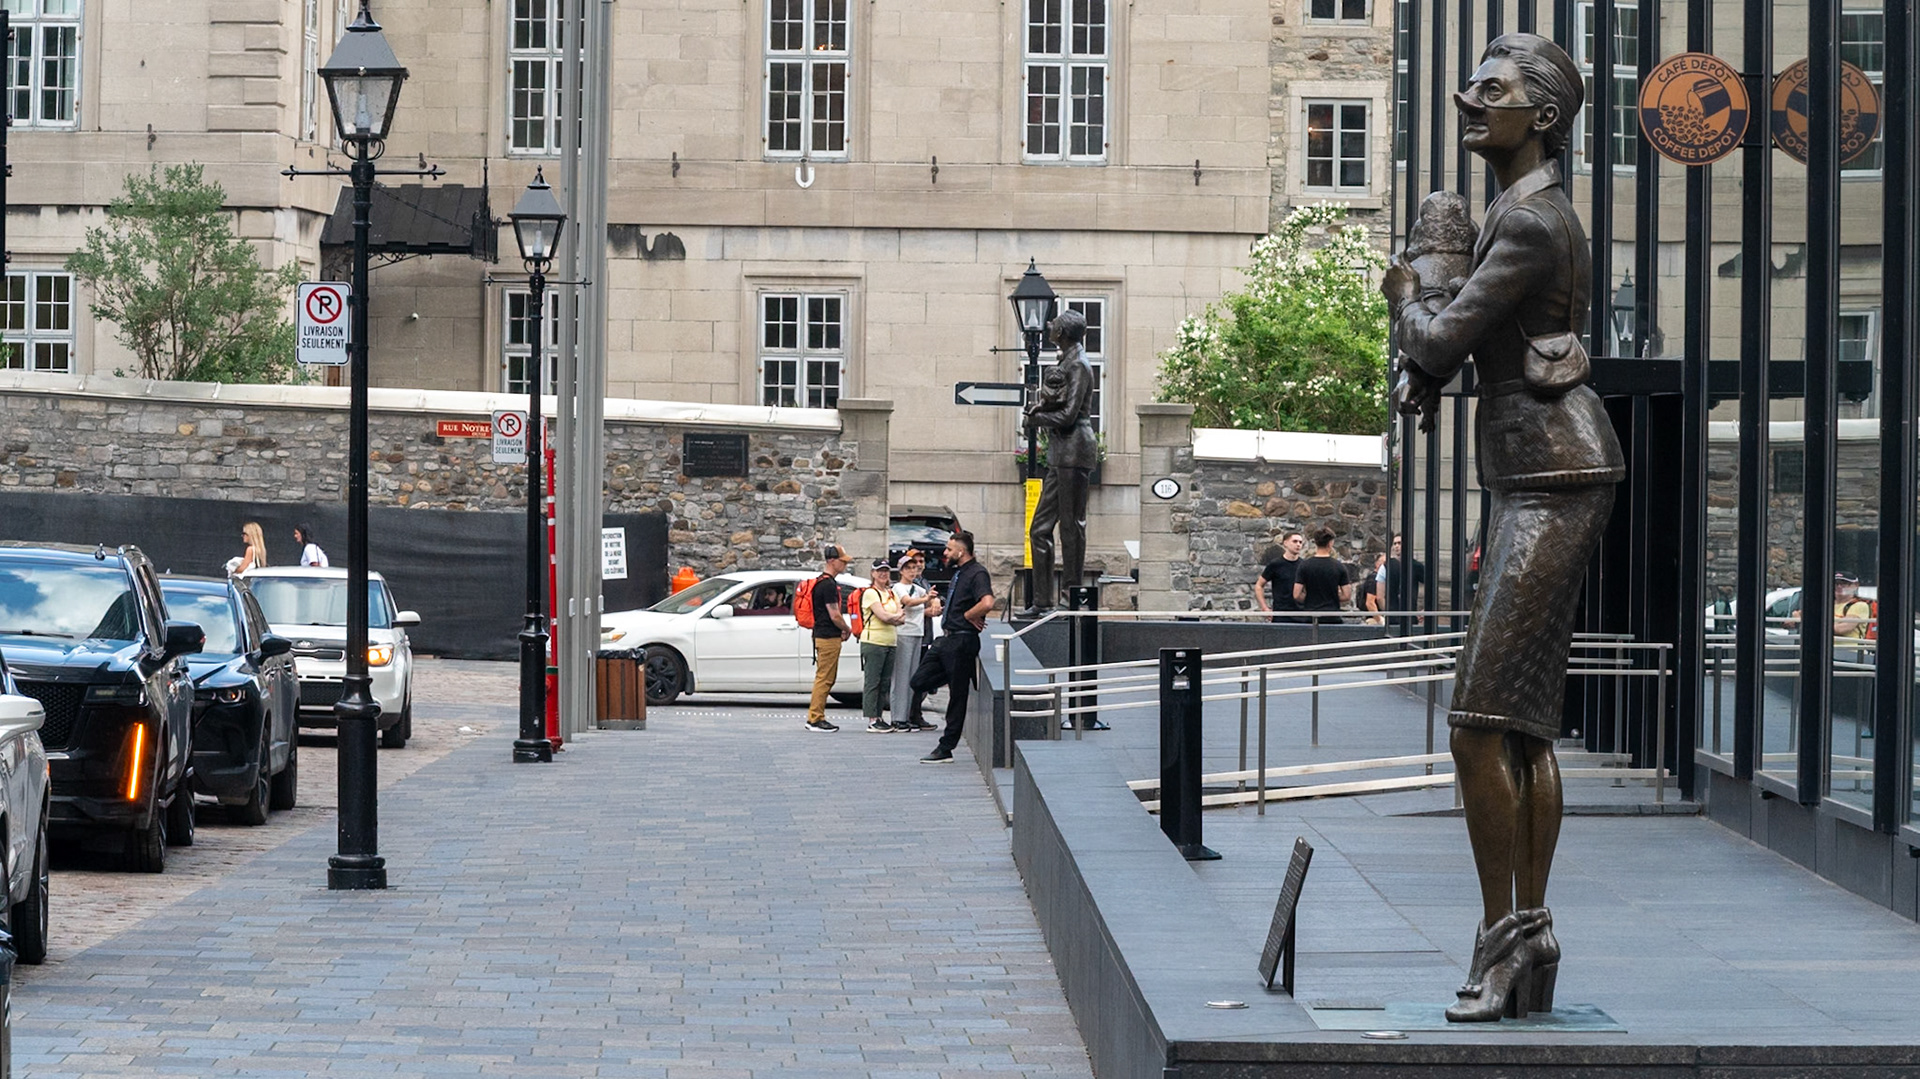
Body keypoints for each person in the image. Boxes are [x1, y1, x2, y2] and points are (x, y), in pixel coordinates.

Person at [1382, 33, 1625, 1023]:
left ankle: (1504, 939)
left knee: (1480, 723)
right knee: (1519, 728)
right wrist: (1431, 353)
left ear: (1546, 117)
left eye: (1493, 89)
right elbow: (1452, 354)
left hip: (1555, 478)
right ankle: (1529, 936)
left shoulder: (1529, 225)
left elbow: (1441, 335)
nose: (1467, 98)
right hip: (1541, 474)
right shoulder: (1510, 215)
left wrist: (1410, 286)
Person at [1019, 309, 1098, 617]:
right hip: (1060, 454)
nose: (1049, 325)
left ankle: (1071, 598)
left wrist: (1036, 418)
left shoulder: (1079, 364)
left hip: (1075, 450)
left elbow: (1068, 417)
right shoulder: (1067, 360)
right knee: (1039, 529)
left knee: (1071, 527)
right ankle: (1042, 602)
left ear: (1062, 332)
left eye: (1054, 323)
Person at [909, 530, 994, 763]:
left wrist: (969, 614)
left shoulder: (977, 572)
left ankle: (945, 748)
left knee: (957, 696)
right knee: (918, 681)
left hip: (962, 640)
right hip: (948, 639)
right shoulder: (959, 573)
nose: (945, 553)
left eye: (948, 549)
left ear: (961, 551)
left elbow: (987, 601)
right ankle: (951, 674)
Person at [805, 544, 853, 732]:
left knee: (824, 677)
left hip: (821, 634)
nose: (845, 565)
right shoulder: (828, 585)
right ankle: (815, 718)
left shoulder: (820, 582)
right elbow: (834, 614)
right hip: (828, 637)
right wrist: (846, 628)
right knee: (825, 678)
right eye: (842, 561)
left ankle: (816, 716)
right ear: (832, 561)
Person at [890, 553, 940, 732]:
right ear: (901, 571)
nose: (912, 571)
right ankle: (898, 717)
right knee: (901, 677)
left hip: (918, 634)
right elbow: (908, 602)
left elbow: (930, 598)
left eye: (914, 568)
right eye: (908, 568)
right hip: (904, 634)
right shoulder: (898, 587)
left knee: (913, 678)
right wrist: (927, 599)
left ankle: (909, 716)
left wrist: (933, 599)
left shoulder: (917, 588)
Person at [857, 561, 907, 733]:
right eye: (880, 571)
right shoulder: (871, 593)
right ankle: (872, 719)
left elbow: (901, 618)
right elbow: (884, 616)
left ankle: (879, 716)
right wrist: (895, 616)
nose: (883, 574)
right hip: (874, 641)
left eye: (886, 571)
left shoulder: (891, 593)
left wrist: (893, 617)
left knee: (884, 682)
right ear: (873, 573)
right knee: (873, 681)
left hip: (890, 641)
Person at [1291, 529, 1351, 621]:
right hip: (1332, 616)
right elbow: (1346, 595)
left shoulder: (1304, 565)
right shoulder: (1339, 567)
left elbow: (1296, 594)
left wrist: (1310, 599)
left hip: (1310, 616)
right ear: (1330, 543)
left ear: (1315, 543)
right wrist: (1332, 597)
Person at [1254, 532, 1306, 622]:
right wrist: (1265, 608)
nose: (1298, 544)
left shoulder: (1304, 565)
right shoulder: (1276, 564)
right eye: (1295, 541)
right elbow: (1259, 585)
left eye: (1300, 542)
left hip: (1302, 614)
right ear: (1285, 543)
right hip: (1281, 614)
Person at [1383, 534, 1428, 632]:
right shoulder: (1388, 565)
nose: (1396, 546)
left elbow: (1431, 585)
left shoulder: (1415, 566)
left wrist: (1426, 609)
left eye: (1399, 543)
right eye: (1394, 544)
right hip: (1392, 614)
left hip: (1409, 613)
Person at [1364, 552, 1389, 624]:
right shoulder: (1374, 579)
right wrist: (1380, 620)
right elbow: (1370, 602)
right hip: (1375, 620)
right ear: (1377, 564)